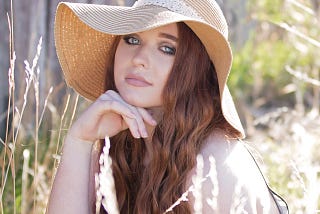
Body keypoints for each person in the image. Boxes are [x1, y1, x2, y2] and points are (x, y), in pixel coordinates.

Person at [47, 0, 288, 213]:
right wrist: (79, 142)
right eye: (132, 39)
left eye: (167, 49)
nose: (139, 58)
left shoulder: (214, 165)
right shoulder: (119, 145)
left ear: (196, 72)